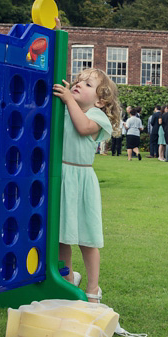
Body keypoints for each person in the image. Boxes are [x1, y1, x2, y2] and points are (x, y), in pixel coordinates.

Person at [52, 68, 121, 304]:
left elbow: (82, 127)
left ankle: (93, 288)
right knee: (62, 236)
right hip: (60, 179)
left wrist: (70, 99)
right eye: (78, 81)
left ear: (101, 101)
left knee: (86, 239)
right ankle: (68, 281)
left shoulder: (96, 116)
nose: (79, 84)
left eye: (88, 84)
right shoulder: (62, 110)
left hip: (81, 181)